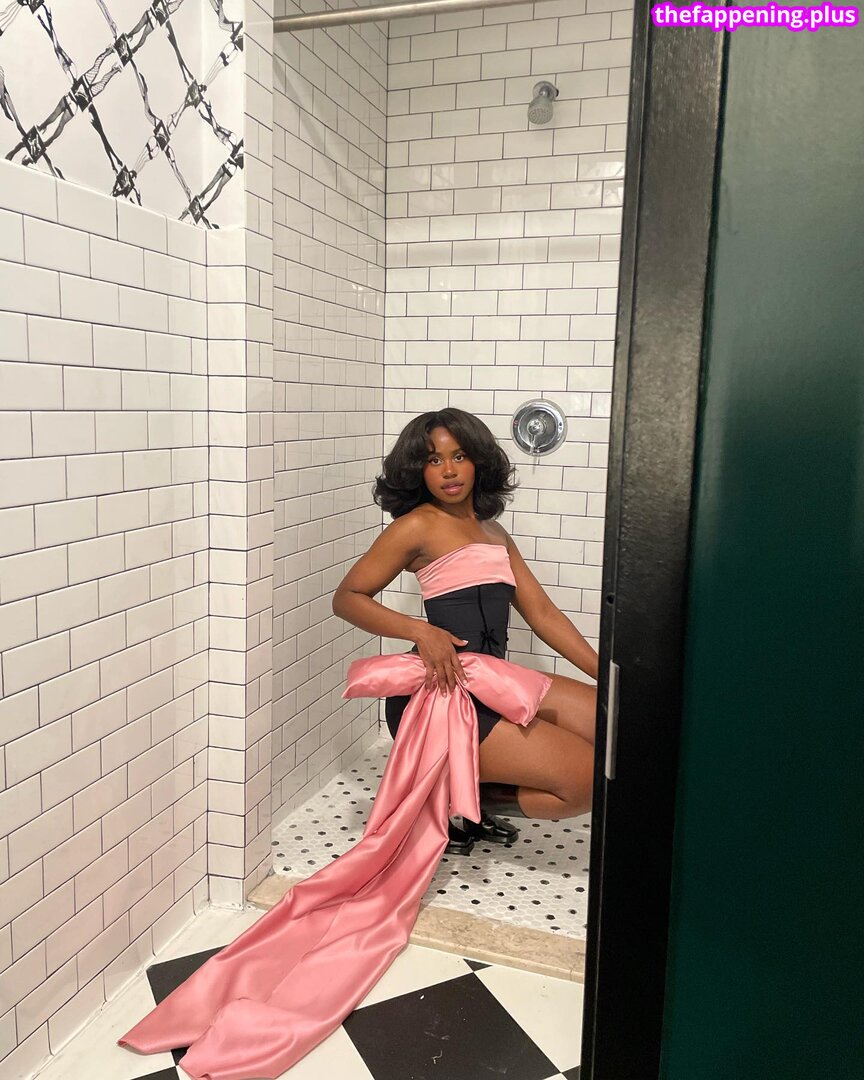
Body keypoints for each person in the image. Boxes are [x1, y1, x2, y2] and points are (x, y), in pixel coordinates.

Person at [333, 407, 599, 846]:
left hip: (494, 681)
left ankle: (458, 797)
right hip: (441, 695)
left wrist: (607, 676)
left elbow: (544, 614)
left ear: (478, 461)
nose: (449, 470)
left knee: (610, 721)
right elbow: (347, 598)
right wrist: (421, 631)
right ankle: (445, 799)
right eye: (433, 460)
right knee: (585, 779)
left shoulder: (494, 533)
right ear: (418, 470)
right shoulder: (416, 526)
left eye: (459, 456)